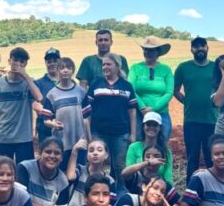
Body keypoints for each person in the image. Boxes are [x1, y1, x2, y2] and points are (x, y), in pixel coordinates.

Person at [82, 54, 137, 182]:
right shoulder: (96, 84)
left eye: (108, 64)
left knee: (119, 166)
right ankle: (94, 189)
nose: (105, 67)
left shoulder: (126, 86)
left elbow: (132, 111)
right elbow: (87, 111)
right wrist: (88, 134)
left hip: (121, 133)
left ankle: (120, 192)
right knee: (96, 163)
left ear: (117, 67)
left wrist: (133, 133)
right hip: (98, 132)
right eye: (103, 64)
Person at [0, 47, 44, 164]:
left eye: (22, 62)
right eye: (15, 60)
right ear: (9, 61)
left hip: (24, 138)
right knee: (4, 171)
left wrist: (25, 76)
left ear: (26, 64)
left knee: (24, 172)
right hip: (4, 138)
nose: (18, 64)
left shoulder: (30, 83)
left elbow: (39, 98)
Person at [173, 37, 217, 174]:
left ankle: (213, 189)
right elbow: (175, 90)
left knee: (212, 159)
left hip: (213, 120)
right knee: (192, 159)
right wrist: (187, 102)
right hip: (191, 121)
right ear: (191, 49)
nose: (200, 48)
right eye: (196, 46)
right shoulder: (183, 68)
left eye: (203, 45)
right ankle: (190, 191)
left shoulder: (215, 68)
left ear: (207, 48)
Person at [54, 137, 118, 206]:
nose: (95, 153)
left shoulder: (110, 181)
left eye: (99, 150)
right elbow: (70, 177)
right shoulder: (80, 170)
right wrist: (74, 152)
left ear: (106, 155)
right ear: (87, 155)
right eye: (91, 150)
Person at [40, 57, 86, 165]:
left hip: (80, 140)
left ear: (73, 71)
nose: (65, 70)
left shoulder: (81, 92)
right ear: (57, 71)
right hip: (61, 142)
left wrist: (88, 137)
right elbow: (45, 120)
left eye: (68, 68)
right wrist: (53, 124)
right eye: (62, 68)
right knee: (62, 171)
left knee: (80, 170)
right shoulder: (52, 94)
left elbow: (88, 117)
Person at [129, 37, 175, 140]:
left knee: (162, 143)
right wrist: (143, 108)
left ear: (158, 52)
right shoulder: (135, 68)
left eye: (151, 50)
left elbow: (169, 92)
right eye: (145, 49)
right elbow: (131, 90)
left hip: (161, 113)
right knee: (139, 143)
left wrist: (153, 108)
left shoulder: (166, 70)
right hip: (140, 114)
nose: (147, 52)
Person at [122, 111, 173, 191]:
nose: (151, 127)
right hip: (136, 187)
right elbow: (126, 173)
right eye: (148, 124)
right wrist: (148, 163)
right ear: (143, 126)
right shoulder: (134, 147)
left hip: (158, 188)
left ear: (160, 128)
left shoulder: (166, 151)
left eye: (155, 125)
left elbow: (168, 177)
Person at [34, 48, 61, 145]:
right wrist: (51, 117)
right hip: (45, 129)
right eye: (49, 61)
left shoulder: (68, 82)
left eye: (55, 61)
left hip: (63, 126)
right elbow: (35, 104)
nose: (52, 64)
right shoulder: (38, 83)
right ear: (45, 63)